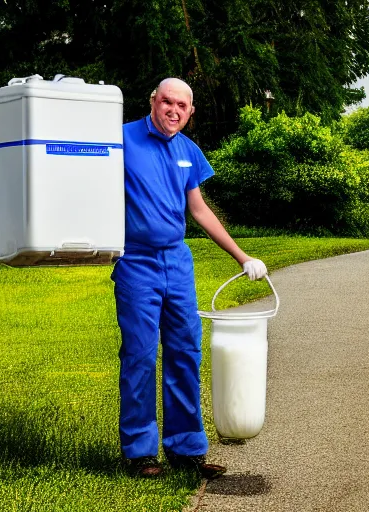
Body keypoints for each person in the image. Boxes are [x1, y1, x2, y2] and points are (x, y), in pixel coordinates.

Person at [111, 77, 267, 478]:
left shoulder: (188, 151)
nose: (173, 111)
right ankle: (141, 452)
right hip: (136, 263)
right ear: (153, 101)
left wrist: (241, 256)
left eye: (182, 106)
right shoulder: (121, 139)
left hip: (177, 264)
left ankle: (186, 450)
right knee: (140, 357)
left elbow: (199, 210)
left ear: (191, 112)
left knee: (185, 353)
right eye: (167, 102)